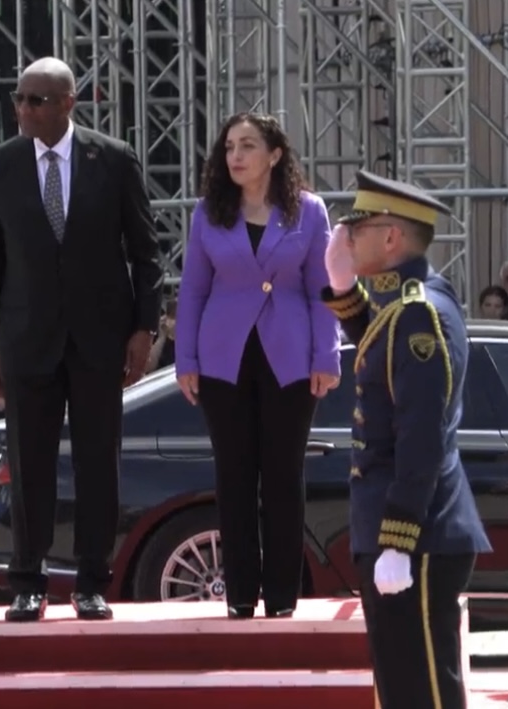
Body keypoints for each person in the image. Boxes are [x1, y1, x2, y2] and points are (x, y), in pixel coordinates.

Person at [0, 56, 162, 622]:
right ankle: (27, 581)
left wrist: (144, 328)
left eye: (36, 100)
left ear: (67, 103)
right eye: (19, 98)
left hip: (99, 339)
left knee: (97, 463)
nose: (23, 109)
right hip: (26, 339)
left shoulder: (113, 159)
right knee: (29, 464)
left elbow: (145, 253)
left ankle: (91, 582)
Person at [321, 170, 491, 708]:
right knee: (399, 686)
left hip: (417, 535)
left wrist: (398, 537)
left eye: (358, 229)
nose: (348, 238)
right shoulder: (409, 305)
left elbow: (421, 434)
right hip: (407, 528)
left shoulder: (419, 313)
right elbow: (382, 347)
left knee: (422, 690)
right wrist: (344, 292)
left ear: (391, 237)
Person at [174, 112, 340, 619]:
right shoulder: (209, 212)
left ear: (274, 154)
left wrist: (327, 355)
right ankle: (240, 595)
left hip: (290, 356)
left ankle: (283, 597)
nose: (236, 156)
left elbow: (322, 289)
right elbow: (193, 289)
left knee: (284, 475)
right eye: (229, 147)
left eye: (247, 146)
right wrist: (185, 358)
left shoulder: (308, 211)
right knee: (234, 476)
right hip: (223, 357)